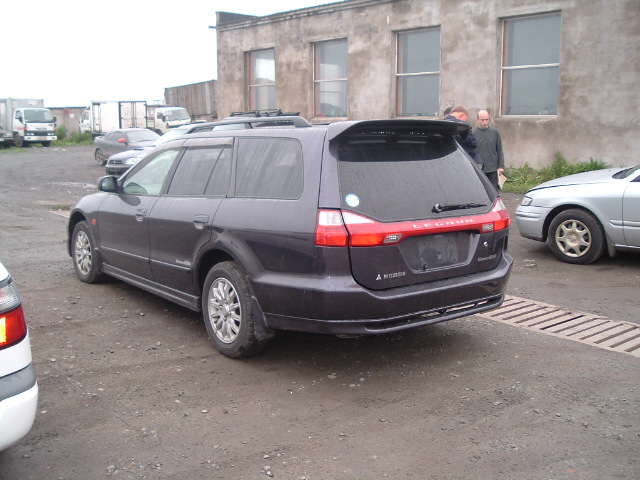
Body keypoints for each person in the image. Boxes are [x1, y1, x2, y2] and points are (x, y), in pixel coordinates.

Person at [472, 109, 505, 191]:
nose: (485, 122)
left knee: (494, 192)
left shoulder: (495, 132)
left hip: (493, 169)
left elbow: (499, 150)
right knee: (481, 191)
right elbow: (471, 152)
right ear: (477, 120)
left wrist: (501, 166)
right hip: (480, 169)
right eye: (482, 120)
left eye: (487, 120)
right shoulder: (473, 134)